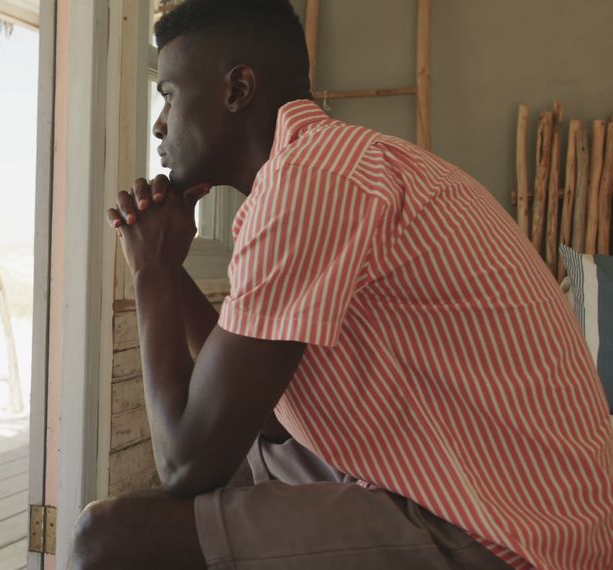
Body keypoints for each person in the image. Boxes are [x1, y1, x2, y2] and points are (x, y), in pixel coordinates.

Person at [70, 0, 613, 568]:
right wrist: (171, 266)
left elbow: (184, 461)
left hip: (510, 538)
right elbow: (244, 406)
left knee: (105, 540)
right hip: (504, 502)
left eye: (170, 95)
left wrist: (152, 275)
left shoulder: (309, 183)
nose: (159, 124)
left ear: (237, 89)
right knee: (253, 453)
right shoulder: (328, 169)